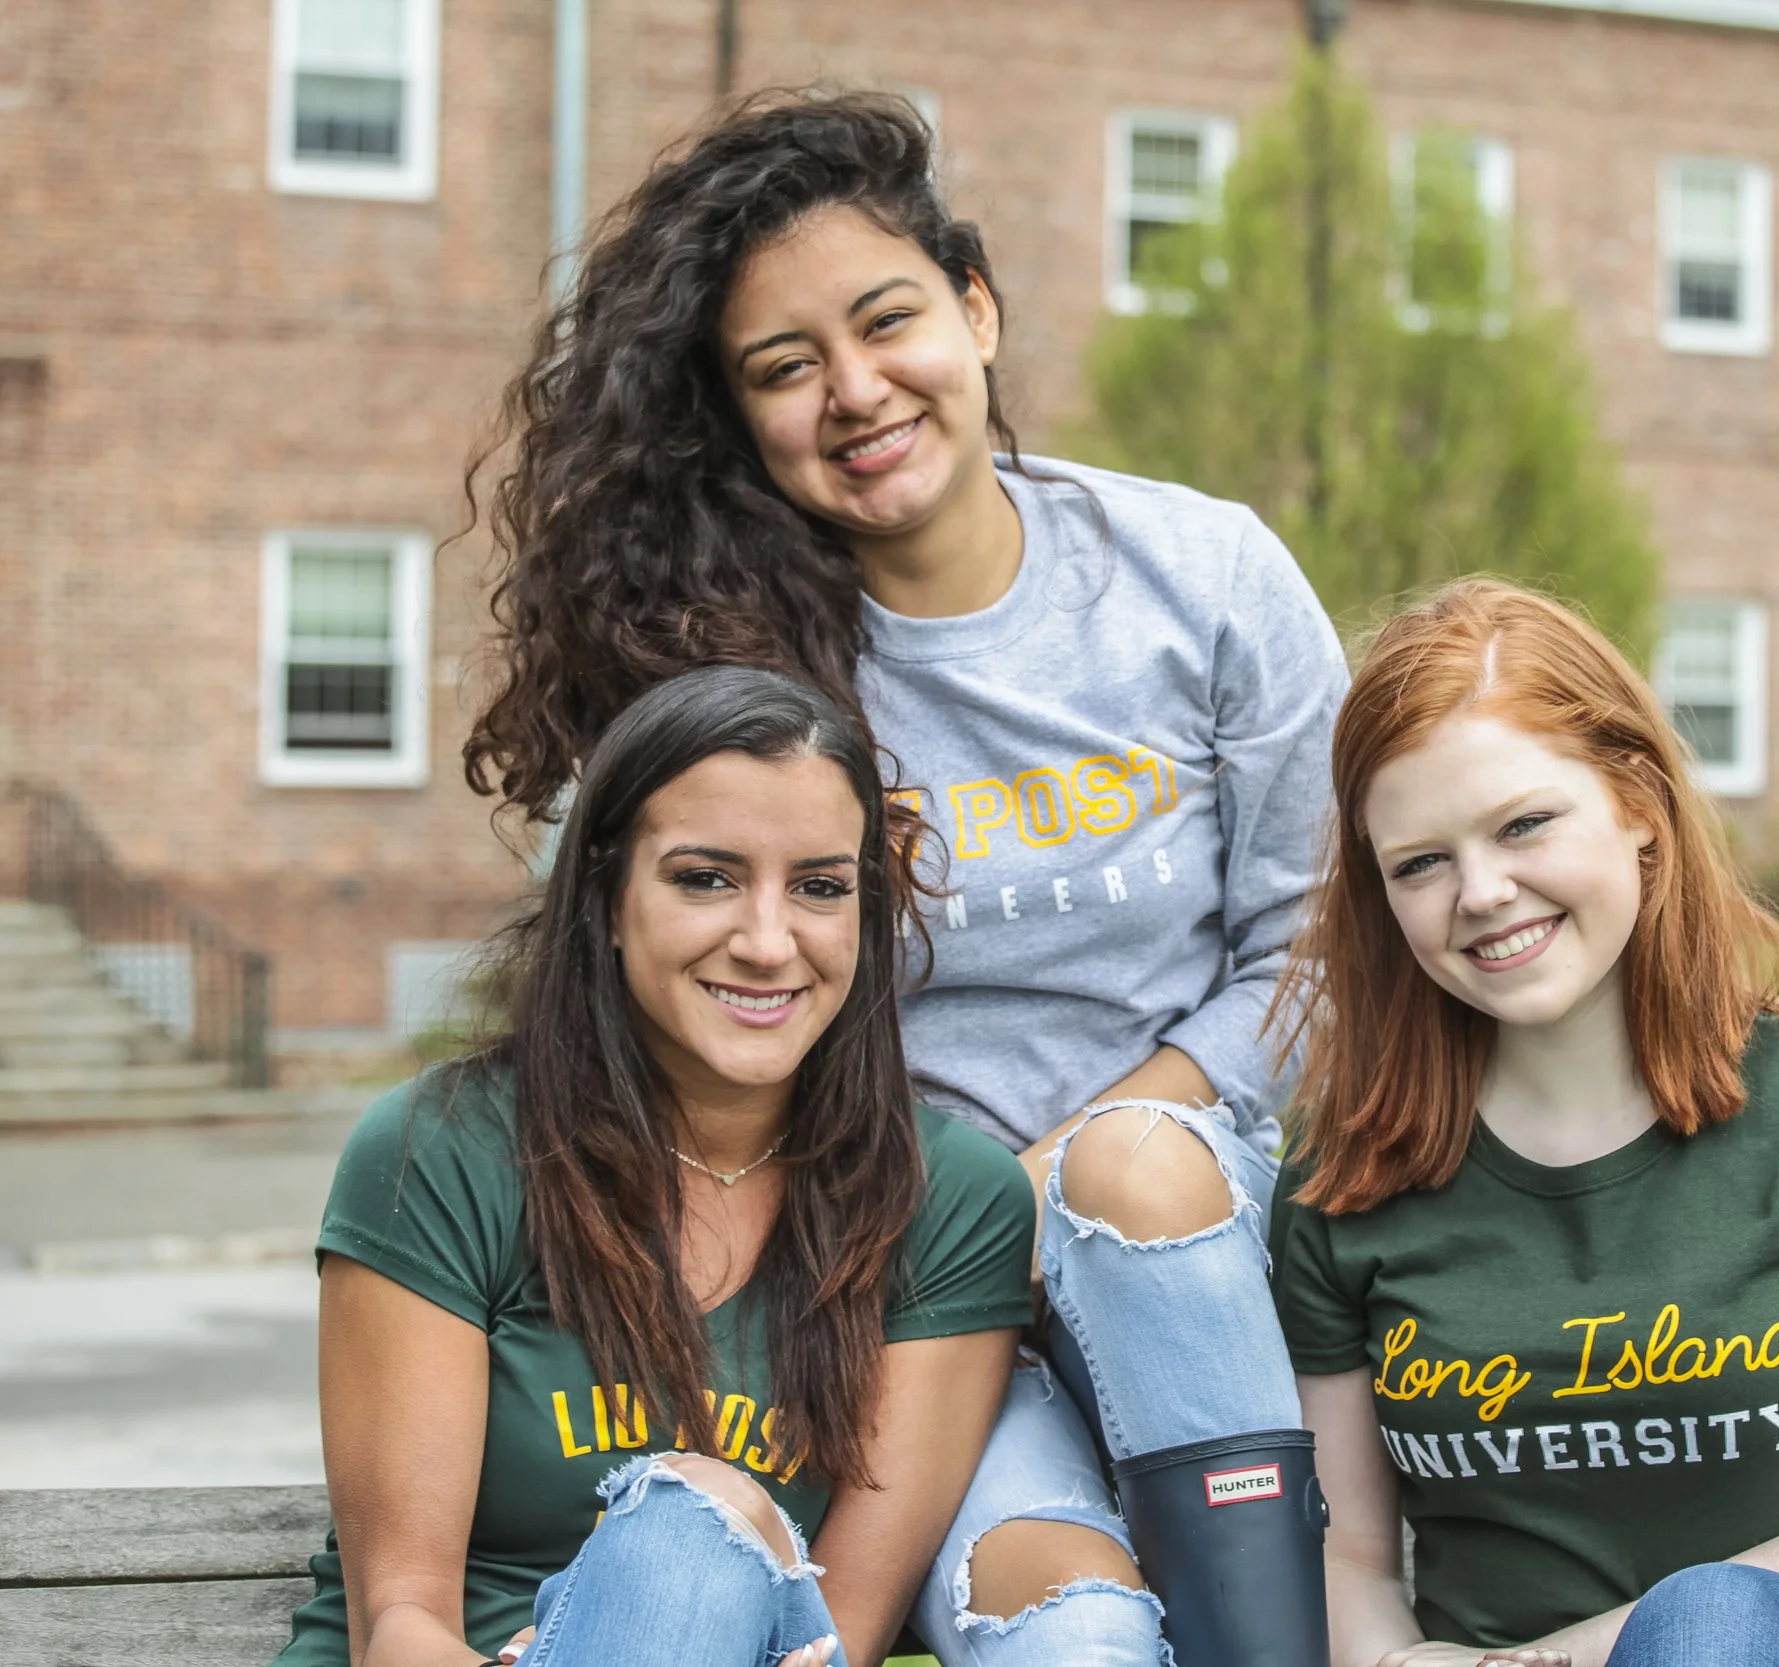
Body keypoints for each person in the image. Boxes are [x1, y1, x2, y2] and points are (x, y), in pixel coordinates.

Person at [459, 93, 1346, 1665]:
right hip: (925, 1303)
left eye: (888, 322)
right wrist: (962, 1222)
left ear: (978, 309)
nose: (854, 391)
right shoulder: (736, 684)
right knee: (1073, 1638)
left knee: (1141, 1172)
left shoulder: (1198, 577)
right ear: (737, 420)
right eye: (783, 368)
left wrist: (1088, 1146)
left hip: (1201, 1256)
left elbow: (1327, 941)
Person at [1268, 580, 1779, 1667]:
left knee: (1708, 1622)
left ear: (1639, 809)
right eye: (1418, 862)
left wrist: (1570, 1659)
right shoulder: (1347, 1177)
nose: (1479, 890)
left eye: (1523, 824)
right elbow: (1348, 1565)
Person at [274, 666, 1036, 1667]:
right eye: (705, 876)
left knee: (699, 1528)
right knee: (697, 1516)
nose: (768, 941)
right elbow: (400, 1625)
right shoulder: (444, 1150)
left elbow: (838, 1633)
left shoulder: (949, 1200)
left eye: (819, 886)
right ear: (606, 894)